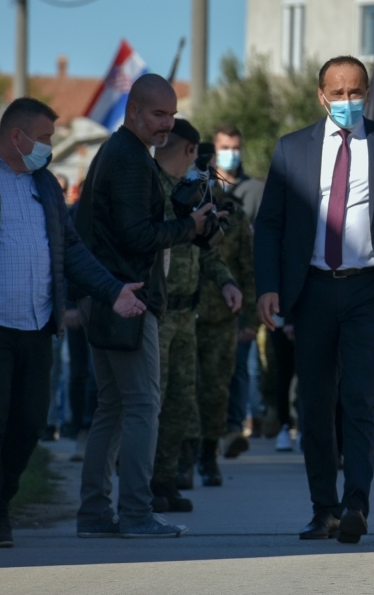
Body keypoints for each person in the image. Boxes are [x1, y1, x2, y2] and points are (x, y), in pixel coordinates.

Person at [254, 56, 374, 543]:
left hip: (367, 290)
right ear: (321, 96)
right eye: (338, 93)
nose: (347, 101)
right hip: (311, 290)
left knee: (358, 397)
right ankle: (323, 508)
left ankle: (356, 504)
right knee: (314, 404)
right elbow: (269, 224)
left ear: (367, 94)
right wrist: (267, 286)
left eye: (356, 92)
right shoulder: (292, 149)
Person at [0, 97, 145, 547]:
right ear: (16, 136)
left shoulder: (43, 183)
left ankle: (2, 496)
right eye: (44, 138)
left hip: (38, 324)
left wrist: (113, 289)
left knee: (29, 423)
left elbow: (71, 250)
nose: (49, 147)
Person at [76, 74, 215, 538]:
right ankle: (136, 513)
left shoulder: (118, 152)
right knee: (141, 406)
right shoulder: (131, 158)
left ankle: (95, 515)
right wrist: (191, 227)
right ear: (133, 110)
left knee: (113, 408)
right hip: (128, 299)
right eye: (158, 113)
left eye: (172, 114)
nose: (167, 123)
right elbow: (137, 236)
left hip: (109, 296)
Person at [150, 120, 241, 513]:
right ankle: (142, 484)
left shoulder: (194, 191)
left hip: (188, 313)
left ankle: (165, 481)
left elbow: (207, 250)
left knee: (181, 403)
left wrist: (226, 282)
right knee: (151, 404)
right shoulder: (150, 187)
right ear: (190, 150)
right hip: (157, 313)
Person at [212, 124, 263, 461]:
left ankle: (233, 430)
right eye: (224, 147)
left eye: (235, 147)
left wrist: (252, 311)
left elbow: (252, 260)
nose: (230, 153)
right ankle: (207, 436)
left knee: (239, 368)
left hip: (237, 301)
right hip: (202, 302)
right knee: (206, 373)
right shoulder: (196, 191)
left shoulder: (256, 191)